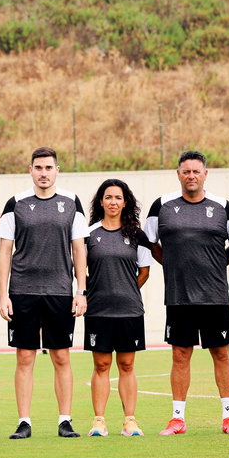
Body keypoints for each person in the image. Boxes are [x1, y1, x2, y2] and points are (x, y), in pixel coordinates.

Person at [145, 150, 229, 436]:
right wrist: (173, 263)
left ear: (205, 174)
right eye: (186, 171)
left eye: (196, 171)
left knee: (221, 354)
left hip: (214, 296)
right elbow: (151, 244)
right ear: (178, 174)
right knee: (179, 356)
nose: (191, 176)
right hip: (179, 296)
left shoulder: (224, 207)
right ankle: (177, 419)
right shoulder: (161, 206)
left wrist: (215, 267)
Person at [0, 146, 88, 439]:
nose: (44, 173)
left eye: (49, 167)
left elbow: (79, 249)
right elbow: (4, 252)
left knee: (61, 356)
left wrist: (81, 290)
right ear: (31, 170)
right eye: (38, 167)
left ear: (57, 170)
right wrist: (3, 295)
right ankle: (24, 421)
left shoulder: (71, 202)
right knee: (25, 358)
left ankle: (65, 420)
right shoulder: (16, 203)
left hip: (60, 293)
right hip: (23, 292)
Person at [85, 179, 152, 437]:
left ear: (126, 202)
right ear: (101, 201)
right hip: (98, 311)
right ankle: (99, 422)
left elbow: (144, 272)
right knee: (101, 365)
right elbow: (80, 271)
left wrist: (125, 289)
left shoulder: (137, 235)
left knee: (127, 364)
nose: (113, 202)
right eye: (108, 197)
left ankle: (130, 421)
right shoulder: (89, 234)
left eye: (118, 197)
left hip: (129, 310)